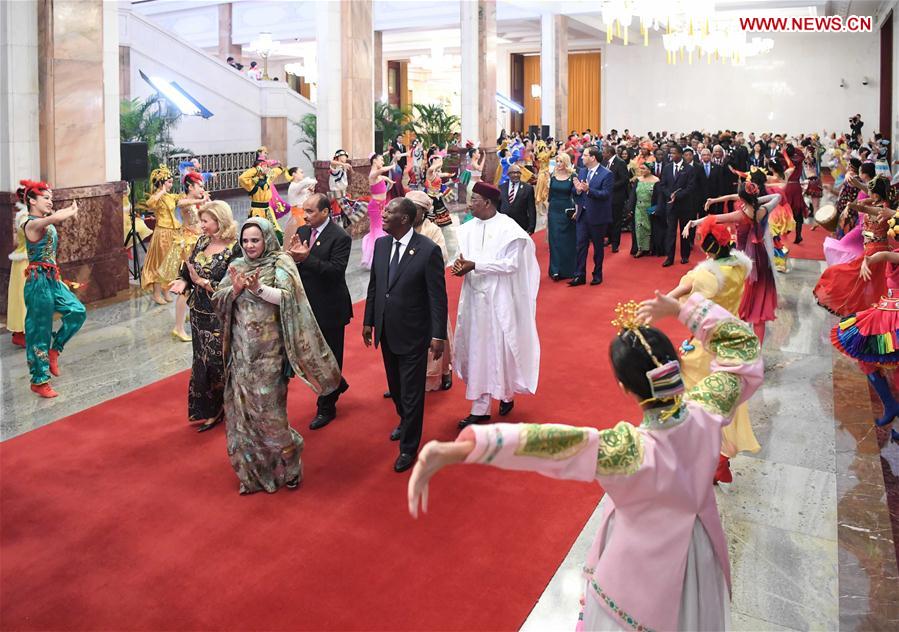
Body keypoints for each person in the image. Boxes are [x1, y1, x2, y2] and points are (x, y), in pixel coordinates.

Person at [408, 291, 763, 632]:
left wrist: (459, 449)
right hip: (698, 556)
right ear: (676, 364)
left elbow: (549, 443)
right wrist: (681, 309)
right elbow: (741, 345)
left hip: (639, 574)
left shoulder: (629, 450)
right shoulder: (709, 409)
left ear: (626, 389)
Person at [213, 218, 341, 494]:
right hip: (241, 356)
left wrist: (258, 289)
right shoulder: (236, 266)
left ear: (267, 239)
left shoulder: (280, 263)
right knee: (245, 417)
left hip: (271, 356)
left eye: (255, 240)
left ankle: (290, 464)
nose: (249, 245)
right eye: (245, 241)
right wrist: (235, 290)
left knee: (270, 416)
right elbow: (218, 300)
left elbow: (290, 298)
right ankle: (253, 472)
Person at [667, 214, 757, 484]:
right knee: (724, 402)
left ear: (708, 247)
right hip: (732, 344)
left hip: (706, 346)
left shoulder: (705, 276)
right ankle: (718, 461)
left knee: (693, 401)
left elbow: (677, 296)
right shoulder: (740, 268)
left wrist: (655, 305)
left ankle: (700, 459)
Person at [363, 198, 448, 473]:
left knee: (412, 393)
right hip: (387, 330)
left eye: (389, 212)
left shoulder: (427, 250)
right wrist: (368, 321)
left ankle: (409, 447)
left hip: (414, 332)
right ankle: (405, 420)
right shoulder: (381, 244)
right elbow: (376, 286)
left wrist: (438, 335)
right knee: (397, 389)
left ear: (405, 219)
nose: (383, 214)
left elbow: (438, 297)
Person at [453, 181, 540, 428]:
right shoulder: (469, 228)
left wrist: (476, 265)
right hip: (473, 300)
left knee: (500, 348)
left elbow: (511, 265)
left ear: (488, 203)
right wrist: (461, 266)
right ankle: (480, 407)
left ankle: (506, 393)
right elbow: (463, 258)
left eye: (474, 200)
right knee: (477, 350)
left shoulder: (509, 229)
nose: (470, 204)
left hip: (498, 300)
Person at [168, 200, 241, 431]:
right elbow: (187, 270)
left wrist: (202, 282)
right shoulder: (202, 242)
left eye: (205, 221)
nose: (201, 225)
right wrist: (182, 281)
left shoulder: (235, 248)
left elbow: (231, 286)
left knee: (221, 361)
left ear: (220, 221)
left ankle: (230, 405)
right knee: (202, 361)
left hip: (221, 313)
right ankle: (210, 408)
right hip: (198, 313)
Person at [286, 194, 353, 430]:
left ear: (325, 212)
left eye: (311, 211)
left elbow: (335, 271)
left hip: (330, 306)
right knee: (310, 354)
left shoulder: (340, 237)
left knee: (330, 355)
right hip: (306, 305)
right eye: (304, 210)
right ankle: (337, 383)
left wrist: (307, 258)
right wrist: (292, 258)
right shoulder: (303, 232)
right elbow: (295, 264)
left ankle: (327, 406)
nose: (305, 215)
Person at [832, 213, 899, 441]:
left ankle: (891, 406)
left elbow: (883, 254)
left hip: (893, 317)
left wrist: (869, 260)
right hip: (887, 314)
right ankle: (890, 405)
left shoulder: (894, 254)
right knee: (867, 358)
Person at [19, 180, 86, 398]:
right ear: (31, 200)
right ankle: (39, 381)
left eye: (51, 198)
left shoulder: (44, 223)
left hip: (52, 279)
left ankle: (55, 350)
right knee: (39, 332)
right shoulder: (30, 224)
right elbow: (54, 218)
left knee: (78, 311)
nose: (50, 201)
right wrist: (68, 211)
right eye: (46, 198)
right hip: (37, 283)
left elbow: (53, 220)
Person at [700, 175, 782, 343]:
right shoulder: (761, 210)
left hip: (743, 260)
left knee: (742, 300)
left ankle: (740, 341)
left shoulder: (740, 215)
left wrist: (693, 223)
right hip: (761, 258)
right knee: (760, 304)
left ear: (742, 198)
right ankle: (757, 350)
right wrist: (756, 200)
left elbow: (712, 219)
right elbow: (777, 197)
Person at [814, 176, 895, 317]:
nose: (868, 193)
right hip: (871, 249)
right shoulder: (879, 200)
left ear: (876, 194)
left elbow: (869, 209)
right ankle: (872, 309)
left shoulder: (882, 208)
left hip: (875, 251)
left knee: (850, 276)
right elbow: (869, 193)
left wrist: (854, 206)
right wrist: (858, 184)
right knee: (869, 283)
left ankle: (851, 305)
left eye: (871, 192)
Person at [407, 190, 454, 392]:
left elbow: (441, 257)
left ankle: (444, 371)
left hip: (427, 290)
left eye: (414, 210)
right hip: (405, 292)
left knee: (437, 331)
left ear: (424, 212)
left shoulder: (432, 230)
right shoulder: (400, 229)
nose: (409, 213)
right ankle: (405, 376)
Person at [166, 171, 207, 342]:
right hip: (187, 246)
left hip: (199, 242)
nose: (202, 189)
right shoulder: (183, 199)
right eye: (199, 186)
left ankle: (187, 317)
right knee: (185, 286)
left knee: (198, 282)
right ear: (190, 186)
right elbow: (180, 203)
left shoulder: (200, 200)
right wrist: (201, 201)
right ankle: (178, 328)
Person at [571, 146, 613, 286]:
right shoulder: (582, 171)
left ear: (593, 158)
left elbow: (606, 194)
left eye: (585, 155)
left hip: (598, 216)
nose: (582, 157)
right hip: (582, 215)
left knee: (597, 247)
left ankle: (597, 274)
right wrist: (577, 191)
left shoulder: (606, 174)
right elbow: (576, 190)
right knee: (580, 246)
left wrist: (589, 190)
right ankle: (579, 275)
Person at [239, 147, 285, 243]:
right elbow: (242, 178)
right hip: (256, 210)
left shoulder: (268, 177)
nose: (267, 168)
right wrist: (257, 170)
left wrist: (280, 167)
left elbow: (276, 172)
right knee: (256, 231)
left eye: (267, 166)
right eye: (264, 166)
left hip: (268, 210)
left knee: (275, 231)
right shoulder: (251, 183)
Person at [660, 145, 696, 267]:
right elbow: (663, 185)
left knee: (684, 230)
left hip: (685, 205)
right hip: (671, 205)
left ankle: (685, 255)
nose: (671, 155)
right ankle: (669, 257)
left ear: (680, 154)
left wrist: (678, 195)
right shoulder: (667, 168)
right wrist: (670, 195)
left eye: (674, 153)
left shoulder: (689, 169)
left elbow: (691, 187)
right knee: (670, 231)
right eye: (670, 153)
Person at [546, 152, 577, 280]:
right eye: (556, 161)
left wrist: (576, 210)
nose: (558, 164)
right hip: (554, 210)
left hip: (567, 210)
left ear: (566, 162)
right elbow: (550, 195)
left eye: (560, 161)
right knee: (554, 240)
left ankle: (568, 269)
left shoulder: (573, 176)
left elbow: (577, 194)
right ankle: (555, 270)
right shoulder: (552, 176)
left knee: (567, 240)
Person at [626, 161, 664, 258]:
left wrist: (657, 208)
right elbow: (633, 195)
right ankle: (640, 248)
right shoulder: (638, 180)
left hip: (651, 208)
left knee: (650, 228)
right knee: (639, 228)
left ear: (650, 170)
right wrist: (630, 208)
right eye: (641, 168)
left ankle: (651, 248)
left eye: (644, 169)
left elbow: (659, 196)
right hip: (638, 208)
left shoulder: (656, 181)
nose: (641, 170)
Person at [361, 152, 393, 269]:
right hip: (375, 207)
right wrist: (392, 165)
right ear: (374, 161)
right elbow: (381, 171)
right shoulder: (372, 174)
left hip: (381, 206)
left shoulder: (377, 175)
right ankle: (379, 258)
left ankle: (377, 256)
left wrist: (389, 180)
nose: (382, 162)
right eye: (381, 160)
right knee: (377, 230)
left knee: (378, 230)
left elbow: (382, 176)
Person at [6, 199, 28, 347]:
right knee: (22, 298)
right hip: (25, 263)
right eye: (45, 198)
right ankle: (20, 333)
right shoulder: (25, 218)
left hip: (32, 261)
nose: (49, 201)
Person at [601, 145, 630, 253]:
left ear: (609, 153)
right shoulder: (603, 163)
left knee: (616, 220)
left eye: (604, 152)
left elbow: (624, 179)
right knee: (607, 219)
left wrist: (610, 186)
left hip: (616, 197)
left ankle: (615, 243)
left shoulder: (620, 163)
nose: (602, 154)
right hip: (604, 197)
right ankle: (608, 238)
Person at [498, 164, 537, 235]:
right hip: (504, 226)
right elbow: (498, 207)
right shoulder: (501, 188)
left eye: (518, 173)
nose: (516, 175)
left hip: (521, 225)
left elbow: (531, 209)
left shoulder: (528, 188)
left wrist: (531, 228)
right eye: (513, 173)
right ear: (508, 174)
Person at [284, 166, 317, 245]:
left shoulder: (299, 187)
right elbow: (310, 182)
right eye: (301, 172)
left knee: (304, 237)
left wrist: (311, 192)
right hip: (297, 216)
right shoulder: (294, 186)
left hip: (302, 214)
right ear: (294, 174)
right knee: (298, 238)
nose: (303, 174)